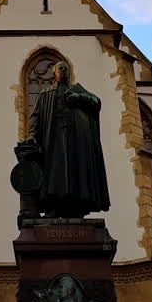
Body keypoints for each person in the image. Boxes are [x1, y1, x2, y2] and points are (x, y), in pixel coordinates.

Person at [22, 61, 111, 219]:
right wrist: (31, 136)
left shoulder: (77, 91)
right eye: (60, 69)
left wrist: (80, 97)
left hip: (75, 140)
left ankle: (76, 208)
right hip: (53, 139)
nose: (63, 71)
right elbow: (35, 117)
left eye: (65, 69)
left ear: (69, 73)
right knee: (55, 174)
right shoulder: (45, 94)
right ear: (54, 73)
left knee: (75, 173)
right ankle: (54, 207)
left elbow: (96, 103)